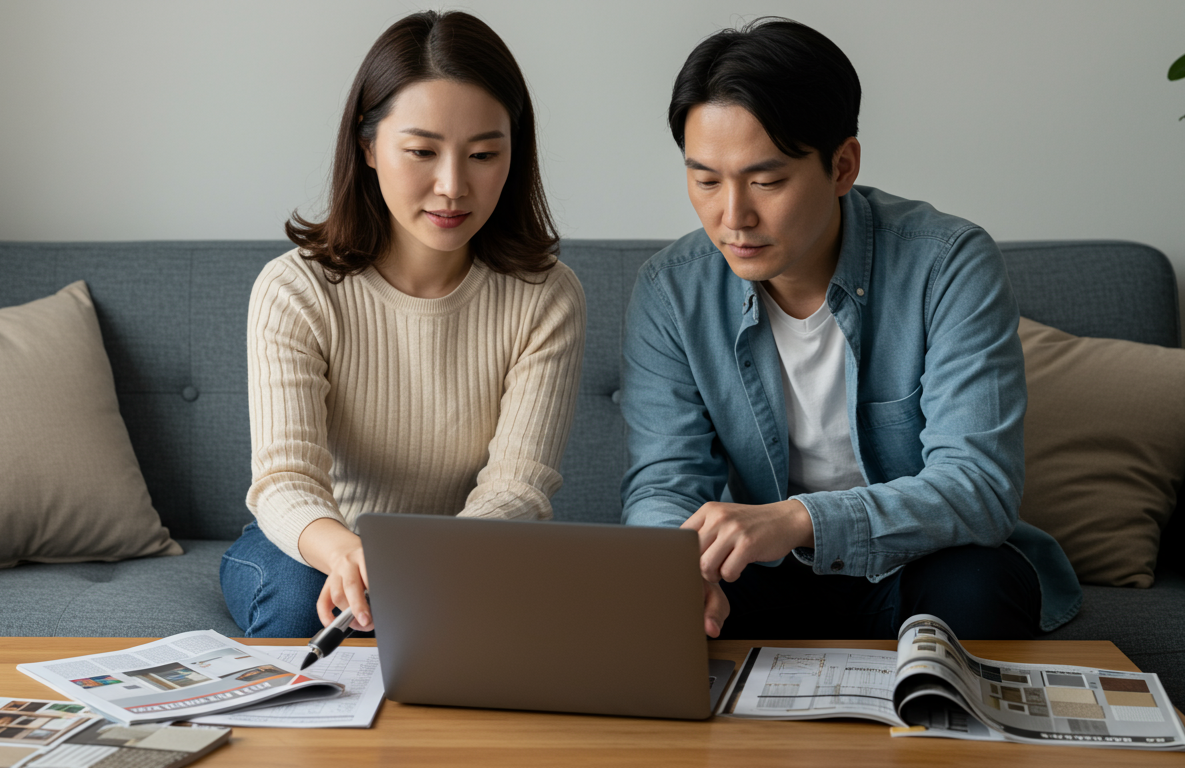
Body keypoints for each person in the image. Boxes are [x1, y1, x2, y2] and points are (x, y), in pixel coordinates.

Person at [621, 18, 1081, 640]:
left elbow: (979, 487)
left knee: (980, 585)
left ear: (842, 166)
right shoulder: (672, 290)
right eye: (705, 180)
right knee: (663, 601)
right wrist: (676, 569)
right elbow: (664, 482)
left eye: (766, 180)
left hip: (915, 569)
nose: (732, 216)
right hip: (762, 574)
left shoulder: (947, 264)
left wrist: (795, 519)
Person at [221, 10, 585, 638]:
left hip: (473, 547)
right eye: (421, 151)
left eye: (483, 154)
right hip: (318, 542)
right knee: (305, 600)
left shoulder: (545, 296)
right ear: (367, 147)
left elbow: (519, 486)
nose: (452, 186)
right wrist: (347, 554)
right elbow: (285, 480)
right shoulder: (296, 289)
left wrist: (423, 566)